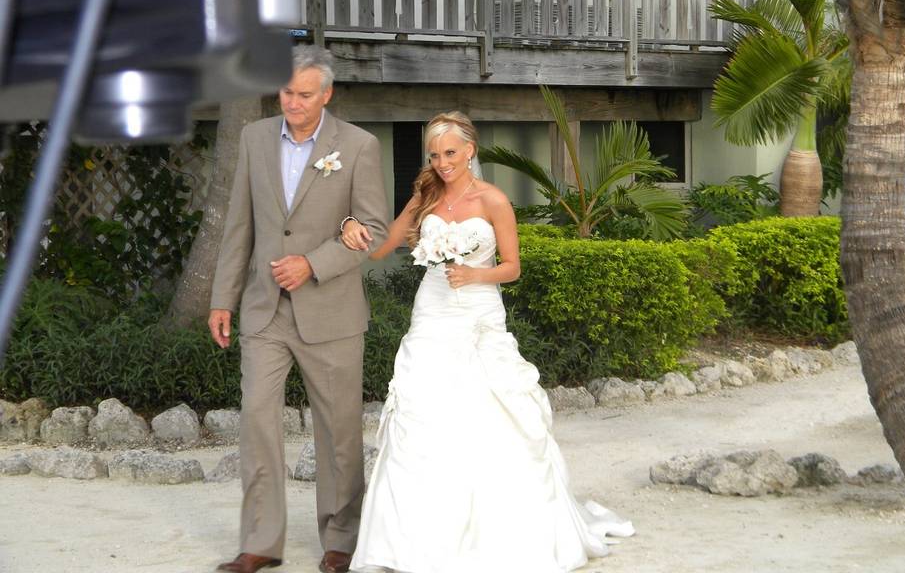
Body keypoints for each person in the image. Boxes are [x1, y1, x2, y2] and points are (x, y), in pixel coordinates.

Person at [340, 111, 635, 572]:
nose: (442, 163)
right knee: (422, 416)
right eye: (435, 155)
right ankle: (412, 541)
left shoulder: (494, 200)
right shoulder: (426, 194)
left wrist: (475, 273)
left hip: (478, 315)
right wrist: (351, 226)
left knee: (489, 413)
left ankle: (498, 537)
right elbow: (384, 245)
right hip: (432, 314)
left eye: (451, 153)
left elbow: (512, 267)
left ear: (470, 150)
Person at [208, 45, 389, 573]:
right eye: (286, 92)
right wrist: (223, 298)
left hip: (330, 312)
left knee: (338, 431)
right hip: (264, 313)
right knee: (258, 424)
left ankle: (340, 539)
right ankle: (261, 542)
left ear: (326, 94)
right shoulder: (253, 138)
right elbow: (240, 225)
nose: (292, 102)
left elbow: (374, 232)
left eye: (304, 94)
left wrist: (313, 263)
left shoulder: (358, 147)